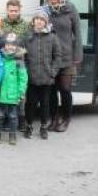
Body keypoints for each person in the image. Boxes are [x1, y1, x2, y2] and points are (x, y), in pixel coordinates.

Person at [43, 0, 83, 132]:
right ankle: (53, 119)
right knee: (52, 90)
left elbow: (78, 34)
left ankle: (66, 119)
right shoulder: (44, 9)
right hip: (50, 57)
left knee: (65, 89)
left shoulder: (71, 9)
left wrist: (77, 55)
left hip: (67, 57)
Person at [23, 10, 61, 140]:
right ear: (33, 21)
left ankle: (44, 127)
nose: (39, 21)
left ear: (46, 22)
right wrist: (26, 71)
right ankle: (28, 125)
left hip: (47, 78)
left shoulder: (52, 37)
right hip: (31, 78)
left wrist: (53, 72)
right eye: (36, 19)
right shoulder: (27, 37)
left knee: (45, 104)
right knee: (30, 104)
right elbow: (23, 56)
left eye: (42, 19)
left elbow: (58, 56)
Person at [0, 0, 30, 131]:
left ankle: (21, 119)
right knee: (6, 89)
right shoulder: (1, 24)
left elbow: (29, 43)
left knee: (20, 92)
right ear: (7, 10)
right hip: (5, 61)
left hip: (19, 61)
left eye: (16, 11)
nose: (13, 13)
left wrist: (22, 53)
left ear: (19, 11)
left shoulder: (25, 25)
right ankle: (6, 119)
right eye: (11, 10)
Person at [0, 32, 28, 145]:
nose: (10, 47)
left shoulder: (19, 61)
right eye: (8, 45)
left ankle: (12, 135)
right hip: (0, 94)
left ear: (17, 46)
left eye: (13, 45)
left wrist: (21, 92)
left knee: (13, 116)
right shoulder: (0, 58)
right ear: (4, 46)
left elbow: (23, 79)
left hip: (13, 95)